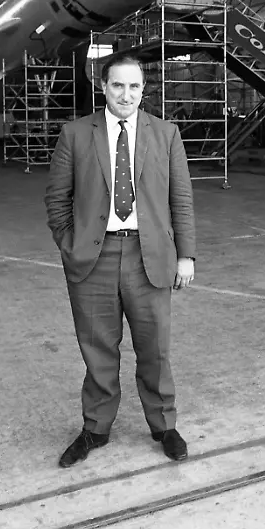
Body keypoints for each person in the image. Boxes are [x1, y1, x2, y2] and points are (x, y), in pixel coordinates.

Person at [45, 51, 196, 468]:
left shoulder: (166, 134)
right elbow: (57, 200)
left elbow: (180, 199)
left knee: (155, 348)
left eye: (134, 86)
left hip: (149, 257)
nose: (125, 94)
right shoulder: (75, 134)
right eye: (117, 85)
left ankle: (164, 425)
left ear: (143, 90)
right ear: (103, 87)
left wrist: (186, 255)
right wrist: (71, 243)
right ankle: (95, 428)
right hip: (94, 257)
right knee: (97, 347)